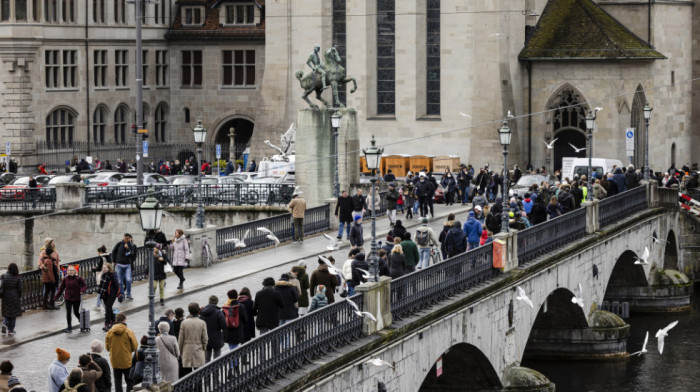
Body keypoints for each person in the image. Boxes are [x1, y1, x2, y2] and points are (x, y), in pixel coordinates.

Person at [105, 313, 138, 392]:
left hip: (115, 361)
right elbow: (135, 346)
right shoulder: (128, 331)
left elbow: (107, 347)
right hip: (127, 360)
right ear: (124, 320)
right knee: (129, 381)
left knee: (117, 382)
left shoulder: (110, 332)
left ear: (116, 320)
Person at [54, 266, 87, 333]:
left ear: (75, 271)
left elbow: (85, 286)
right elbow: (61, 289)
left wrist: (82, 290)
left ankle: (82, 322)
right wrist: (55, 297)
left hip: (76, 298)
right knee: (68, 312)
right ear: (67, 271)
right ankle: (69, 326)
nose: (71, 272)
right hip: (68, 298)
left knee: (75, 312)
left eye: (72, 270)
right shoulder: (65, 279)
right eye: (69, 270)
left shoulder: (78, 278)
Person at [179, 302, 208, 375]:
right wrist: (203, 349)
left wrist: (180, 351)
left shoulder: (184, 323)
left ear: (189, 311)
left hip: (187, 351)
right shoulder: (202, 323)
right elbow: (205, 339)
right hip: (198, 350)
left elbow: (180, 339)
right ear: (198, 310)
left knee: (187, 376)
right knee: (198, 376)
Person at [199, 296, 226, 362]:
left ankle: (207, 371)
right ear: (216, 302)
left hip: (206, 337)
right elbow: (224, 325)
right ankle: (216, 372)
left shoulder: (202, 312)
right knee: (217, 358)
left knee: (207, 358)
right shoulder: (218, 312)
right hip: (216, 337)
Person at [111, 234, 136, 301]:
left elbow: (132, 254)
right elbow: (113, 251)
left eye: (127, 239)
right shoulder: (119, 244)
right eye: (125, 238)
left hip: (127, 265)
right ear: (123, 238)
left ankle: (128, 294)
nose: (126, 240)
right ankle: (121, 294)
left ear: (129, 239)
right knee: (120, 281)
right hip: (119, 265)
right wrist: (114, 261)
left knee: (128, 279)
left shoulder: (131, 245)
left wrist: (127, 248)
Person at [97, 263, 122, 331]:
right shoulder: (103, 275)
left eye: (105, 268)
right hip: (104, 294)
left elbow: (117, 285)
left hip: (111, 294)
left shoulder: (112, 275)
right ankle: (113, 321)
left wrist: (119, 295)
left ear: (109, 268)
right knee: (109, 308)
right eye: (103, 268)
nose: (103, 269)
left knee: (107, 308)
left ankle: (107, 323)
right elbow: (101, 284)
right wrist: (100, 292)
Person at [39, 238, 61, 310]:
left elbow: (57, 262)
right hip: (49, 274)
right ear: (48, 244)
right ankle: (49, 304)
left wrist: (58, 269)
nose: (53, 243)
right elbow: (40, 262)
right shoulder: (43, 252)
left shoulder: (55, 251)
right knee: (48, 290)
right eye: (52, 242)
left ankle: (48, 304)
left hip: (54, 272)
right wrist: (44, 268)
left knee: (52, 290)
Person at [1, 263, 22, 336]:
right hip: (14, 296)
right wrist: (18, 296)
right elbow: (20, 289)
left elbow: (2, 287)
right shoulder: (18, 277)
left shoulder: (4, 276)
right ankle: (11, 330)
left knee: (7, 312)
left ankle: (4, 324)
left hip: (6, 297)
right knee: (13, 314)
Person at [92, 246, 111, 311]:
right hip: (108, 275)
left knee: (100, 290)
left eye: (98, 252)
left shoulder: (102, 258)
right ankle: (106, 306)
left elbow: (99, 267)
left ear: (100, 252)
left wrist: (94, 269)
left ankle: (98, 305)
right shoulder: (108, 256)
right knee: (105, 290)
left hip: (102, 275)